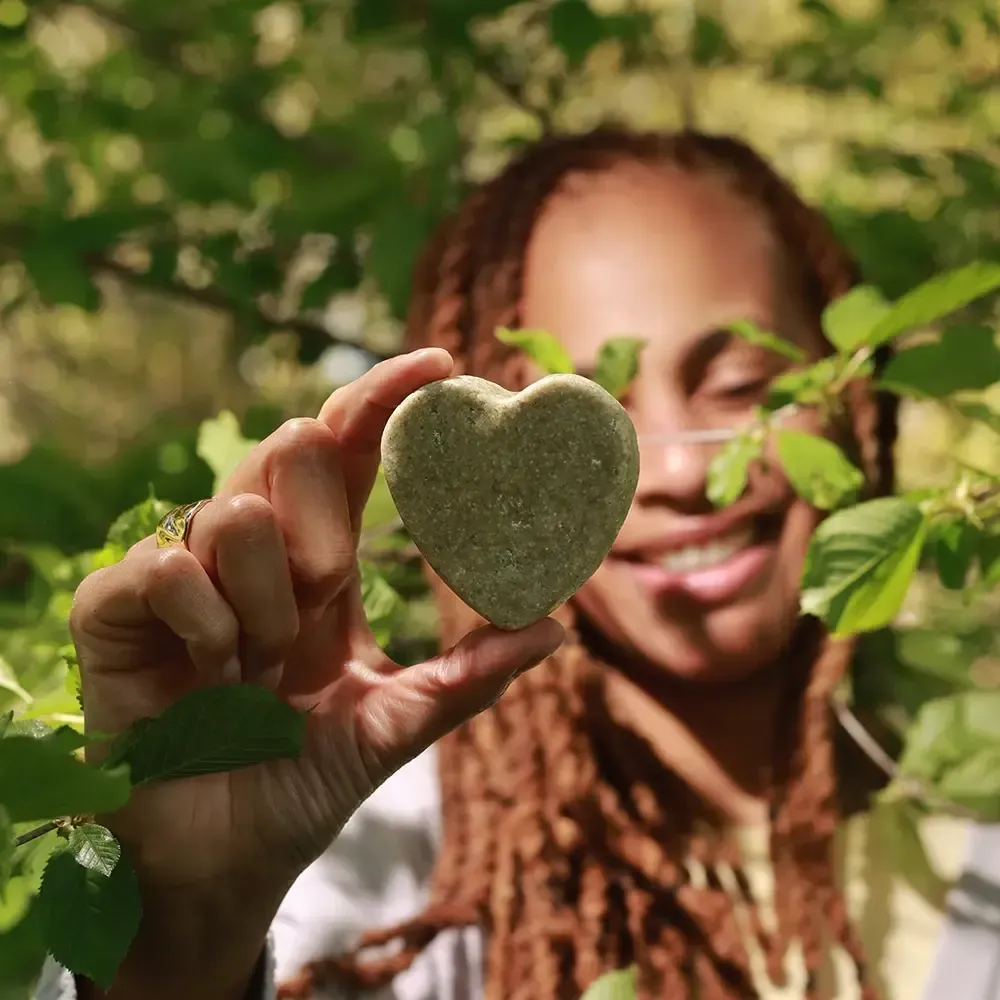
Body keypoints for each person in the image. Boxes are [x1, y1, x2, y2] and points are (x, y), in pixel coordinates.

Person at [35, 127, 973, 1000]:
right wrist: (179, 944)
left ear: (852, 397)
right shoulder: (372, 882)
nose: (683, 469)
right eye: (597, 416)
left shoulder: (979, 855)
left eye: (739, 387)